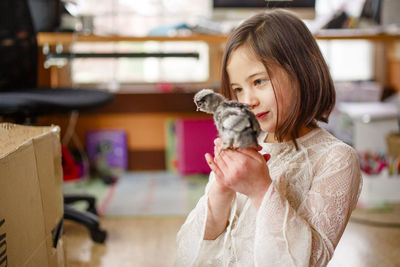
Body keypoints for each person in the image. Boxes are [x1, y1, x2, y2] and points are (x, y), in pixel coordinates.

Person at [175, 9, 362, 267]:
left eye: (259, 81)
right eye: (238, 89)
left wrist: (260, 190)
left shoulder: (336, 159)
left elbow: (310, 261)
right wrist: (221, 187)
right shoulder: (247, 143)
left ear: (301, 72)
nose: (247, 101)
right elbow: (190, 251)